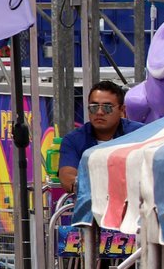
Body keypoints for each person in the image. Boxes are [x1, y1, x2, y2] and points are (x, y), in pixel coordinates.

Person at [57, 79, 140, 212]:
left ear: (122, 110)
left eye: (107, 107)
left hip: (134, 212)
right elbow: (67, 179)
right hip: (91, 213)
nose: (99, 112)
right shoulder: (73, 140)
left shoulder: (141, 135)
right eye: (94, 107)